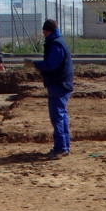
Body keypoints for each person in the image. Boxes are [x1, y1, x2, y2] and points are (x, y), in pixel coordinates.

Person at [33, 18, 74, 158]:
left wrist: (36, 65)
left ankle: (61, 148)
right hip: (61, 83)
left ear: (47, 30)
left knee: (58, 117)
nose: (43, 34)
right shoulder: (58, 42)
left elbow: (52, 65)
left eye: (44, 31)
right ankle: (64, 147)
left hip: (59, 84)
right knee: (61, 116)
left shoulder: (55, 44)